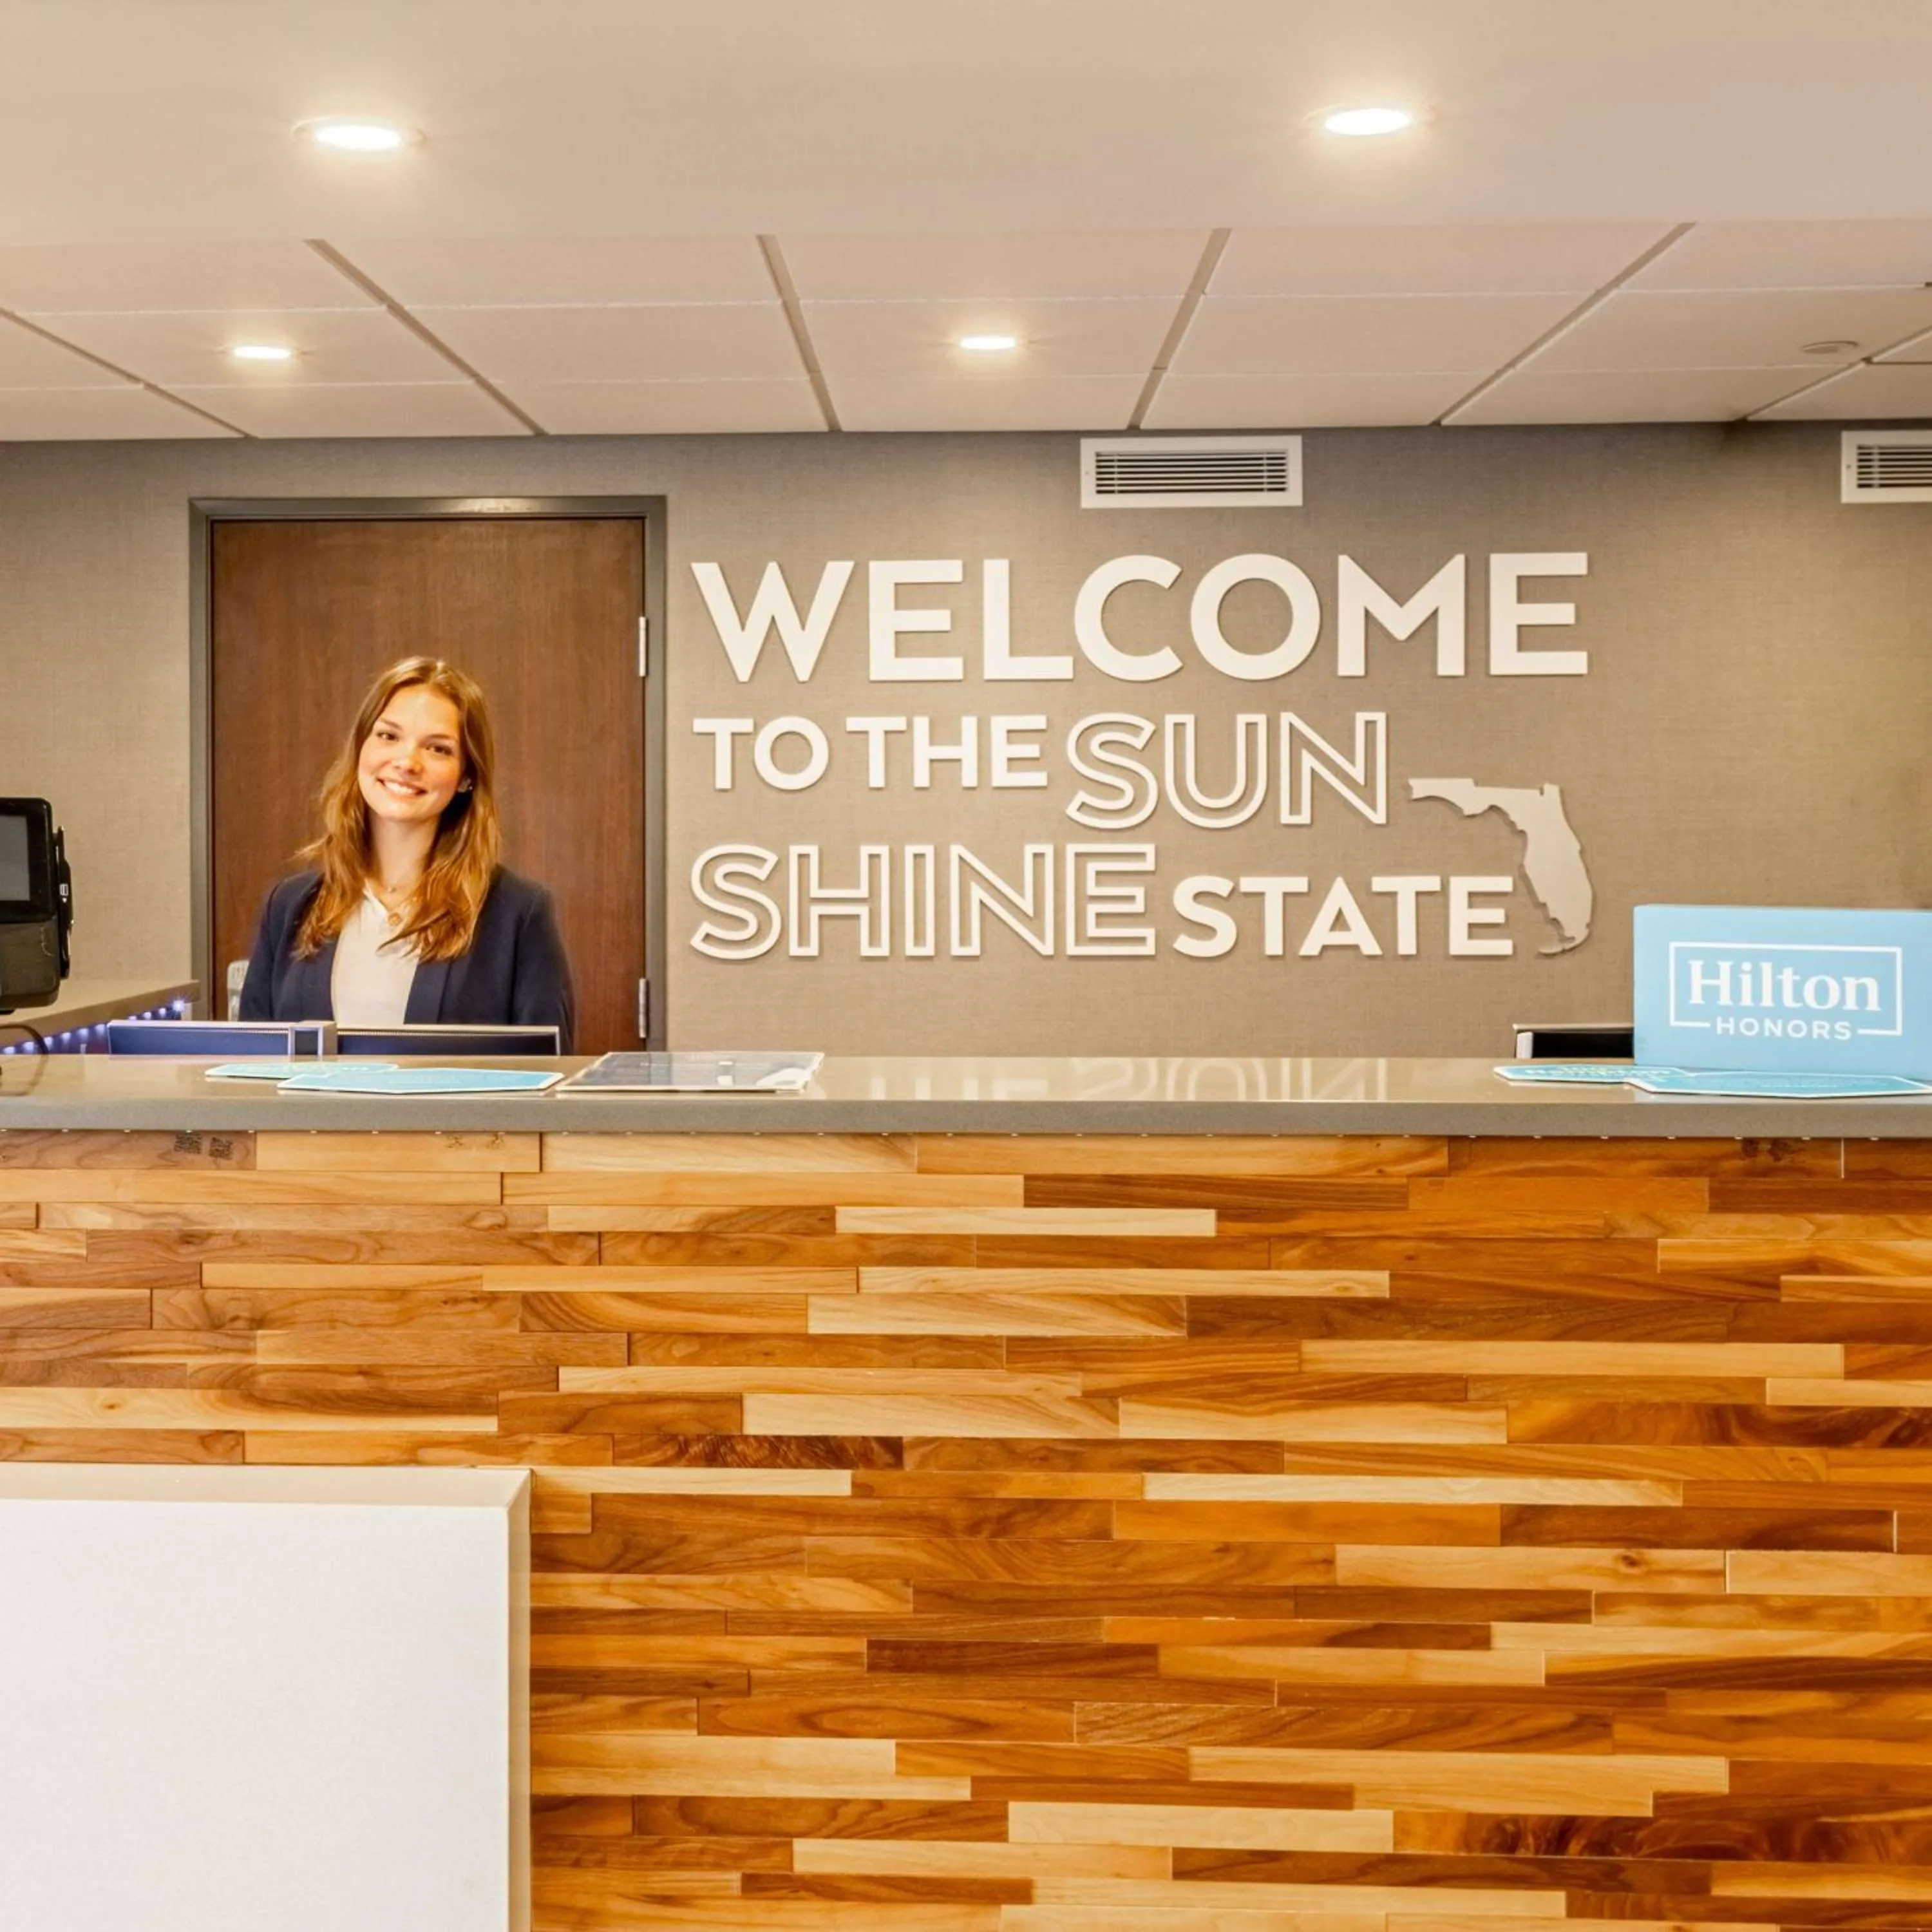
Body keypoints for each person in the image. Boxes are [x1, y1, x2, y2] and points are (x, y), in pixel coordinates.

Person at [240, 656, 575, 1050]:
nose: (406, 762)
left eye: (438, 749)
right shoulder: (289, 905)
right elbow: (249, 1066)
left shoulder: (519, 913)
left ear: (467, 776)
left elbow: (549, 1070)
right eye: (388, 736)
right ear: (360, 748)